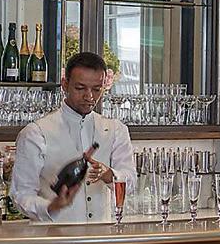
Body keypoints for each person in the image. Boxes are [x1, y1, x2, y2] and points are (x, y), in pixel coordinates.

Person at [11, 52, 136, 223]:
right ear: (65, 84)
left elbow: (131, 183)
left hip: (102, 236)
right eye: (80, 88)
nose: (89, 96)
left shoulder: (116, 130)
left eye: (96, 89)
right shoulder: (35, 133)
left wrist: (109, 174)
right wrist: (51, 206)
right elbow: (21, 195)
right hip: (52, 236)